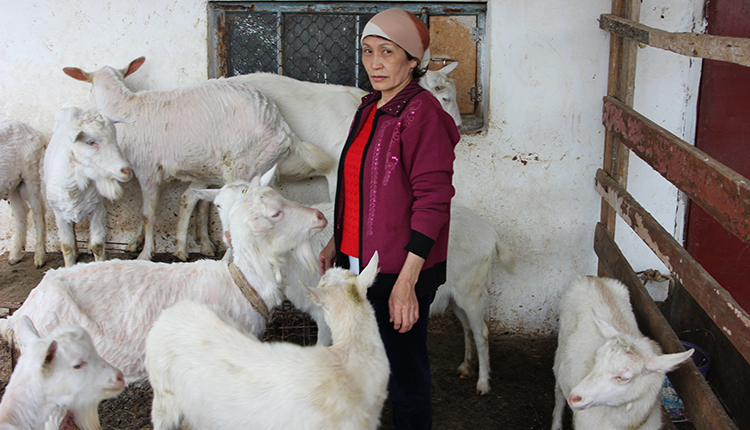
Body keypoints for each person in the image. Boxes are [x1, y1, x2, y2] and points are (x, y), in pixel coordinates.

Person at [318, 8, 460, 429]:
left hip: (399, 270)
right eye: (367, 52)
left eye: (387, 52)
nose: (375, 63)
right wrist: (335, 241)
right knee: (362, 364)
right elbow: (355, 185)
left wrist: (407, 282)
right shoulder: (370, 108)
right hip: (356, 262)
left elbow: (434, 200)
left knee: (403, 372)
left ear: (413, 60)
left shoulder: (423, 115)